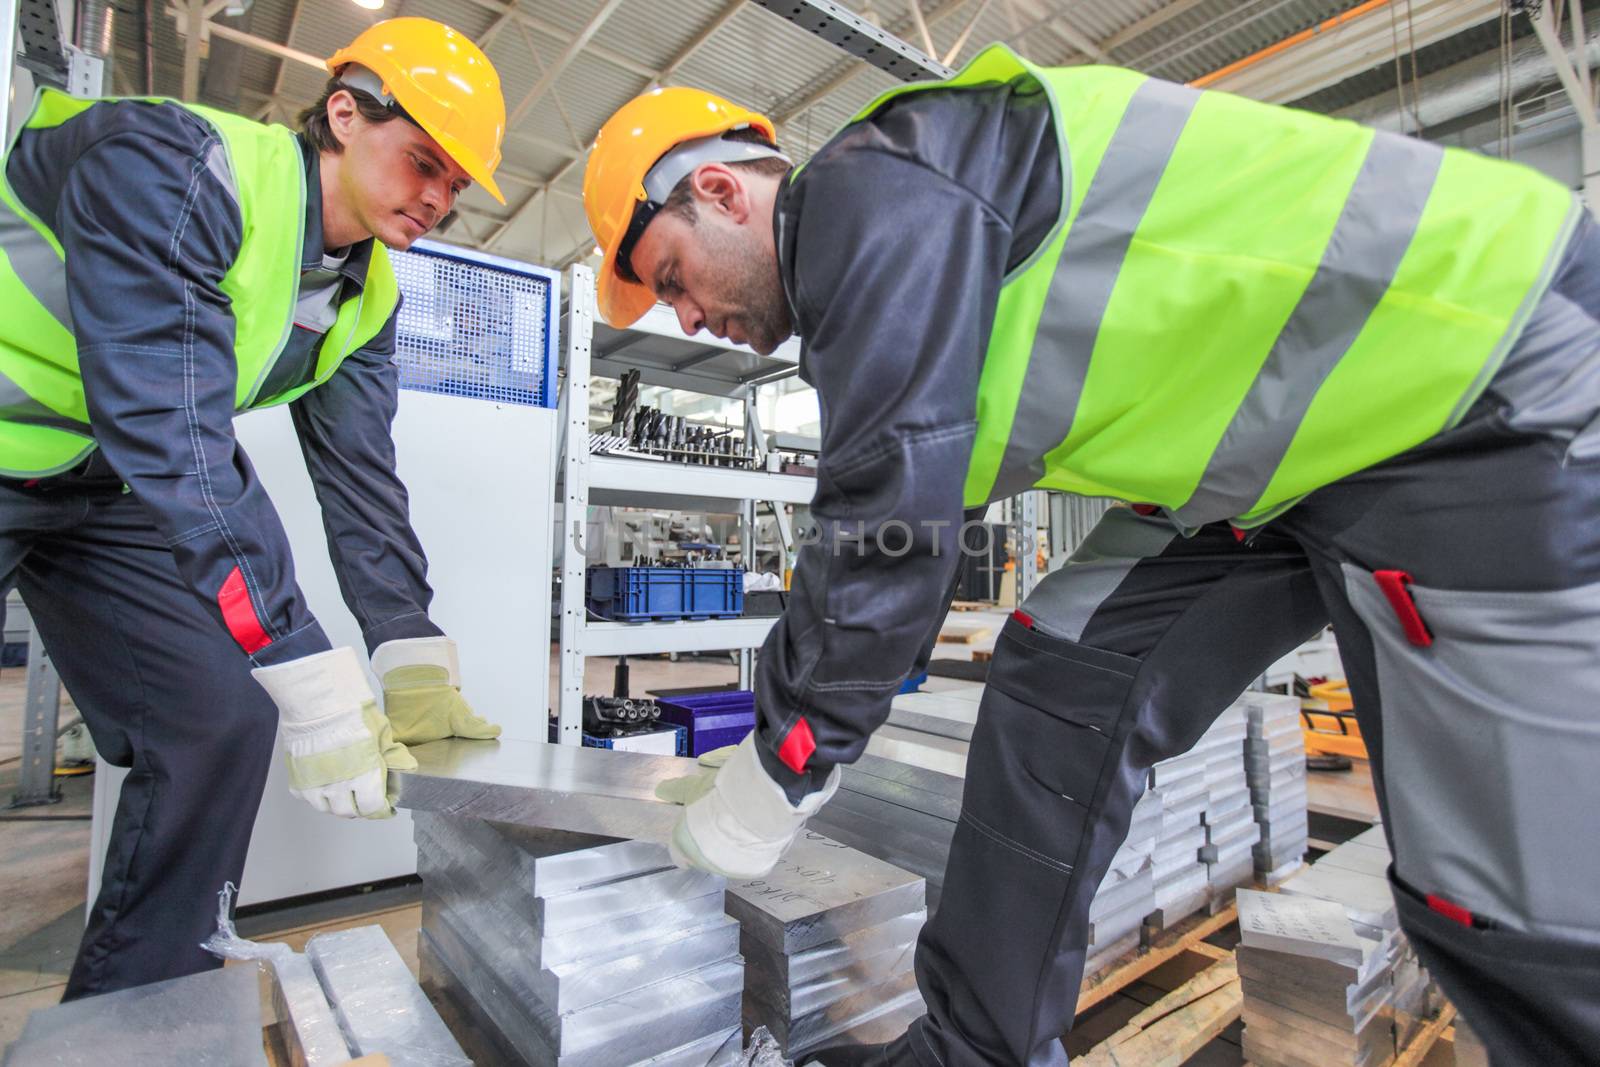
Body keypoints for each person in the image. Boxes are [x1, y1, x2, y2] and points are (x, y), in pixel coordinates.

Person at [583, 43, 1600, 1067]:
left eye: (670, 277)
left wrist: (781, 767)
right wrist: (780, 726)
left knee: (1500, 900)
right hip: (1279, 453)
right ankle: (977, 1050)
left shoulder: (869, 190)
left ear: (715, 190)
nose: (687, 315)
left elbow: (883, 515)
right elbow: (899, 542)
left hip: (1466, 379)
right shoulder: (899, 256)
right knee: (1061, 666)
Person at [0, 16, 507, 998]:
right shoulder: (173, 166)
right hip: (65, 444)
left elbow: (361, 484)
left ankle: (142, 1012)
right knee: (267, 681)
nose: (439, 197)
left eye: (457, 183)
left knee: (215, 718)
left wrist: (408, 653)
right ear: (346, 115)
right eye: (424, 162)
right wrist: (306, 667)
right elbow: (176, 429)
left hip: (100, 480)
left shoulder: (369, 295)